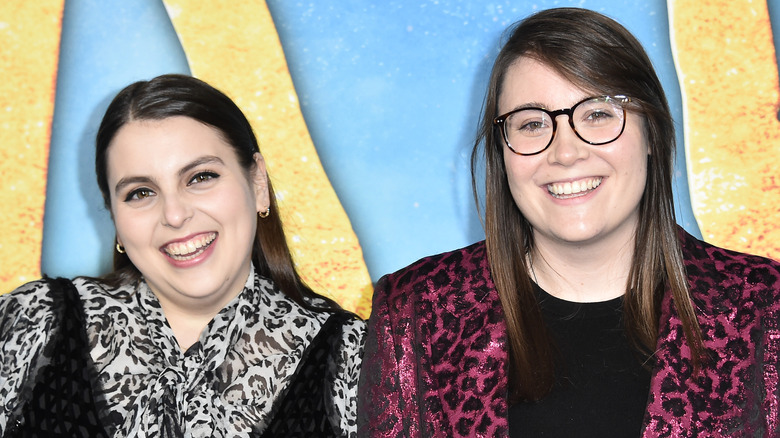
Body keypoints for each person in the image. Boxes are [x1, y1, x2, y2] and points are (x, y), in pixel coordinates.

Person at [358, 7, 780, 437]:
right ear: (502, 155)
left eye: (597, 114)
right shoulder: (418, 311)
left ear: (651, 132)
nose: (565, 152)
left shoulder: (764, 306)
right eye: (532, 123)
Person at [0, 74, 365, 437]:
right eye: (140, 193)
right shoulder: (33, 323)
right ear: (115, 218)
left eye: (200, 177)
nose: (174, 215)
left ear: (257, 184)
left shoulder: (356, 360)